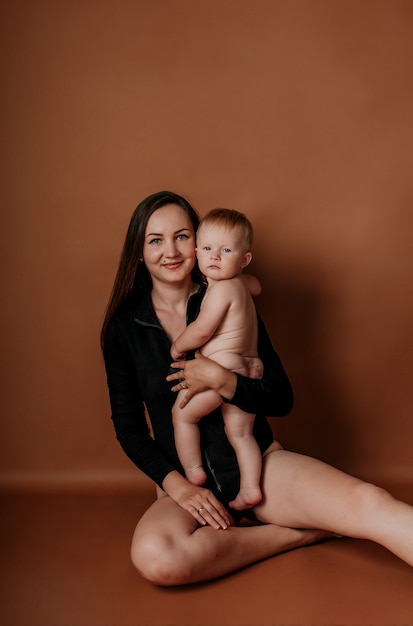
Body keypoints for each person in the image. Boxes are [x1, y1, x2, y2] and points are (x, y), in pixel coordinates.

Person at [101, 190, 413, 587]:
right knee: (159, 557)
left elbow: (281, 397)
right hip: (187, 481)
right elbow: (128, 427)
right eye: (155, 240)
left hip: (259, 468)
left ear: (199, 242)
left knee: (371, 503)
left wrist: (224, 381)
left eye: (182, 236)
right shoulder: (124, 329)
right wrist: (177, 487)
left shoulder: (230, 297)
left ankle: (304, 517)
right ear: (138, 252)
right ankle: (297, 533)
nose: (171, 251)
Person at [170, 208, 264, 510]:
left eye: (225, 251)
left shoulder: (220, 290)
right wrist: (241, 273)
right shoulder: (243, 284)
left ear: (244, 258)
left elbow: (201, 330)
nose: (215, 257)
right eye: (208, 249)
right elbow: (257, 286)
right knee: (241, 432)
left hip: (224, 367)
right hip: (251, 368)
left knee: (183, 415)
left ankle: (194, 471)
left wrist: (177, 346)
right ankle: (250, 489)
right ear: (197, 252)